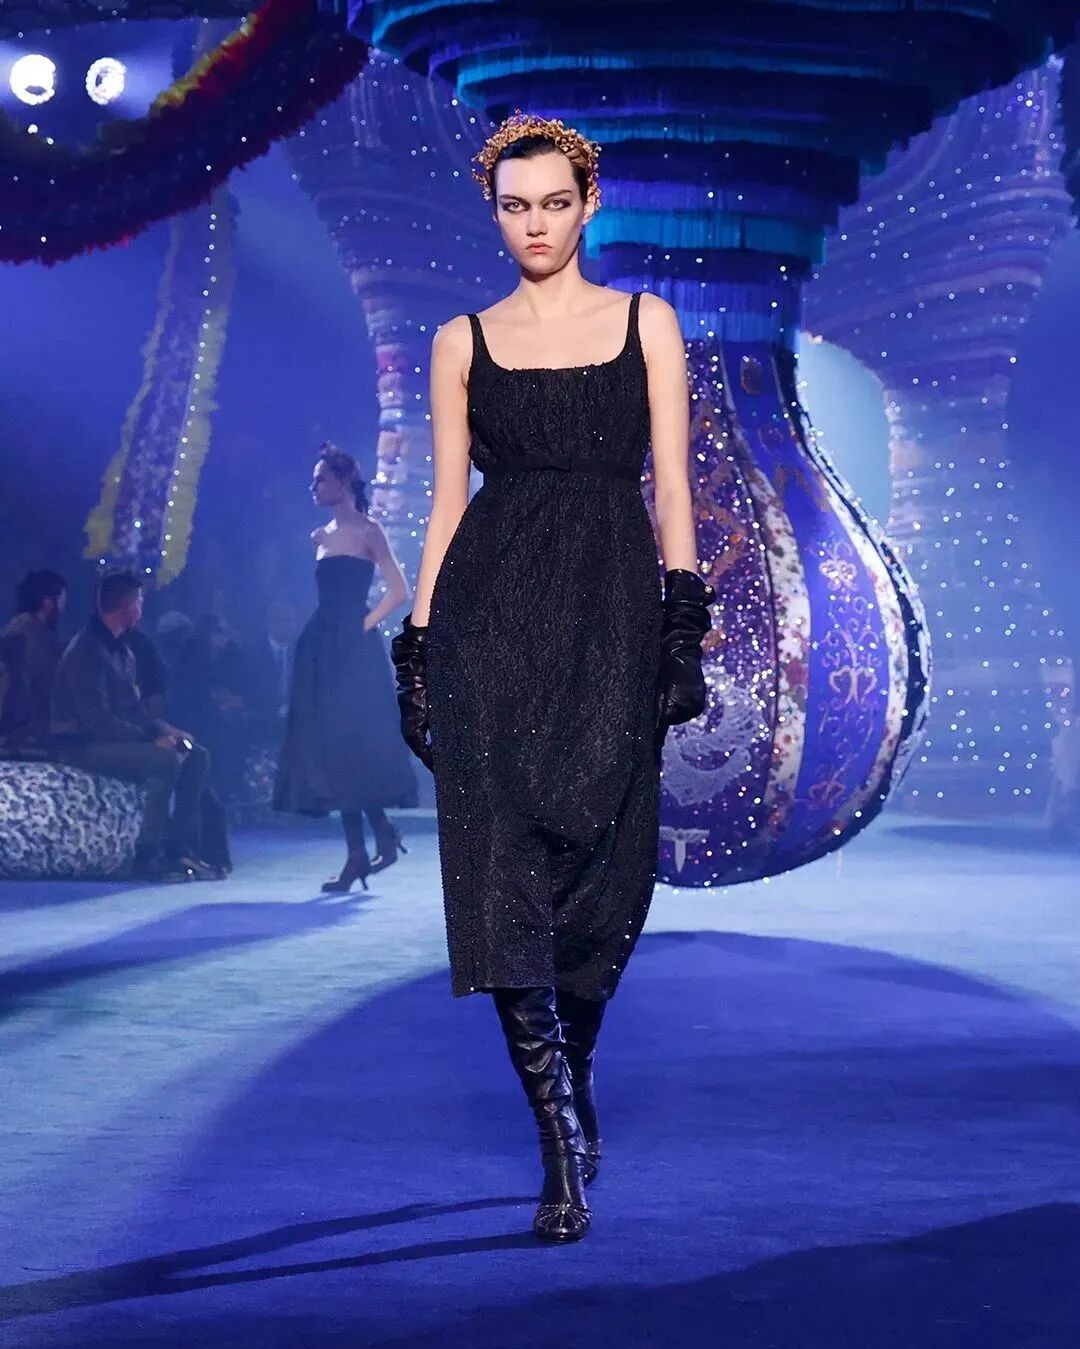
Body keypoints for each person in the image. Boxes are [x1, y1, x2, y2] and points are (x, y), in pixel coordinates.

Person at [390, 113, 715, 1243]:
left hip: (612, 620)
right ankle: (558, 1141)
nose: (534, 225)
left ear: (588, 205)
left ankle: (575, 1079)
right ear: (495, 212)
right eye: (514, 206)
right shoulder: (461, 341)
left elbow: (672, 487)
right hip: (488, 625)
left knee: (604, 880)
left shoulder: (645, 322)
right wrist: (418, 648)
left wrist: (682, 629)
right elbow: (445, 506)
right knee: (503, 883)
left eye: (554, 204)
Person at [273, 445, 419, 890]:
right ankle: (373, 841)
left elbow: (400, 591)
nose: (314, 486)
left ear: (344, 481)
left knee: (350, 743)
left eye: (321, 478)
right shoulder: (320, 535)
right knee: (331, 746)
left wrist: (362, 626)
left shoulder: (369, 531)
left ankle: (365, 848)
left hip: (352, 649)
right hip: (321, 646)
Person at [50, 570, 225, 882]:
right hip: (81, 744)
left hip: (117, 736)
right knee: (165, 760)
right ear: (127, 606)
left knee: (196, 755)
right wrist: (149, 740)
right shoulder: (85, 651)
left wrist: (165, 730)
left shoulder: (123, 650)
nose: (142, 608)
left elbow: (134, 710)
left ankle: (179, 849)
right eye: (140, 601)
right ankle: (148, 855)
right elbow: (95, 720)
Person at [0, 569, 67, 752]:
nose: (63, 608)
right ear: (48, 602)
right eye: (62, 601)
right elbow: (33, 686)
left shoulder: (32, 631)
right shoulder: (25, 634)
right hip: (20, 732)